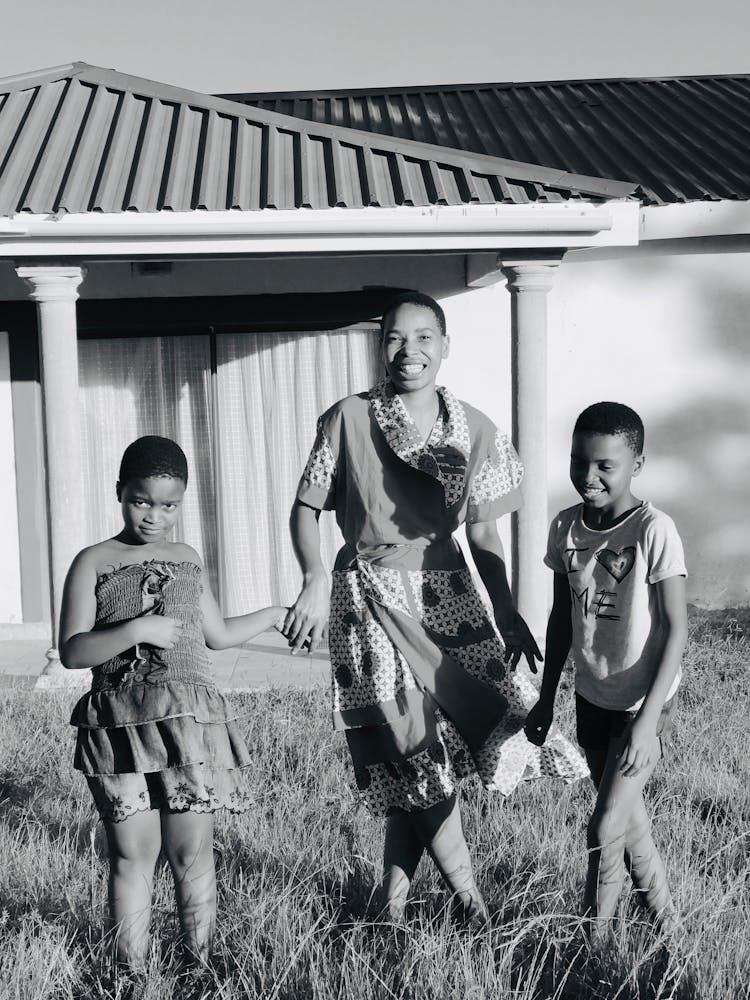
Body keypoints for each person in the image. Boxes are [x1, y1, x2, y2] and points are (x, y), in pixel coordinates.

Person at [286, 291, 587, 925]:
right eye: (396, 337)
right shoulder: (346, 417)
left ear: (445, 347)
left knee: (435, 755)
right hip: (367, 603)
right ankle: (469, 901)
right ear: (380, 345)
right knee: (413, 752)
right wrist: (314, 576)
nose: (409, 351)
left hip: (448, 599)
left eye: (424, 338)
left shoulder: (475, 429)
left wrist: (505, 612)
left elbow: (483, 535)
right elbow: (306, 508)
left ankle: (391, 909)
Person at [60, 436, 286, 974]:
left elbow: (218, 633)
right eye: (142, 501)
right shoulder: (93, 561)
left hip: (189, 725)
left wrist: (276, 612)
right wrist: (136, 628)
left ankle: (199, 966)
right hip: (121, 727)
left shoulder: (187, 559)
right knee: (132, 856)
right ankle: (130, 974)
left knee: (191, 854)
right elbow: (73, 650)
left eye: (169, 505)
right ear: (120, 493)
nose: (154, 515)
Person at [525, 402, 687, 932]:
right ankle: (670, 931)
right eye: (578, 462)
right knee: (627, 825)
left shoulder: (653, 529)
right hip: (591, 694)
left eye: (604, 466)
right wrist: (546, 697)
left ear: (636, 464)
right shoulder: (566, 526)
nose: (587, 477)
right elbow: (560, 620)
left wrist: (648, 724)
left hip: (640, 703)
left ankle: (592, 946)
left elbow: (675, 628)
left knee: (603, 827)